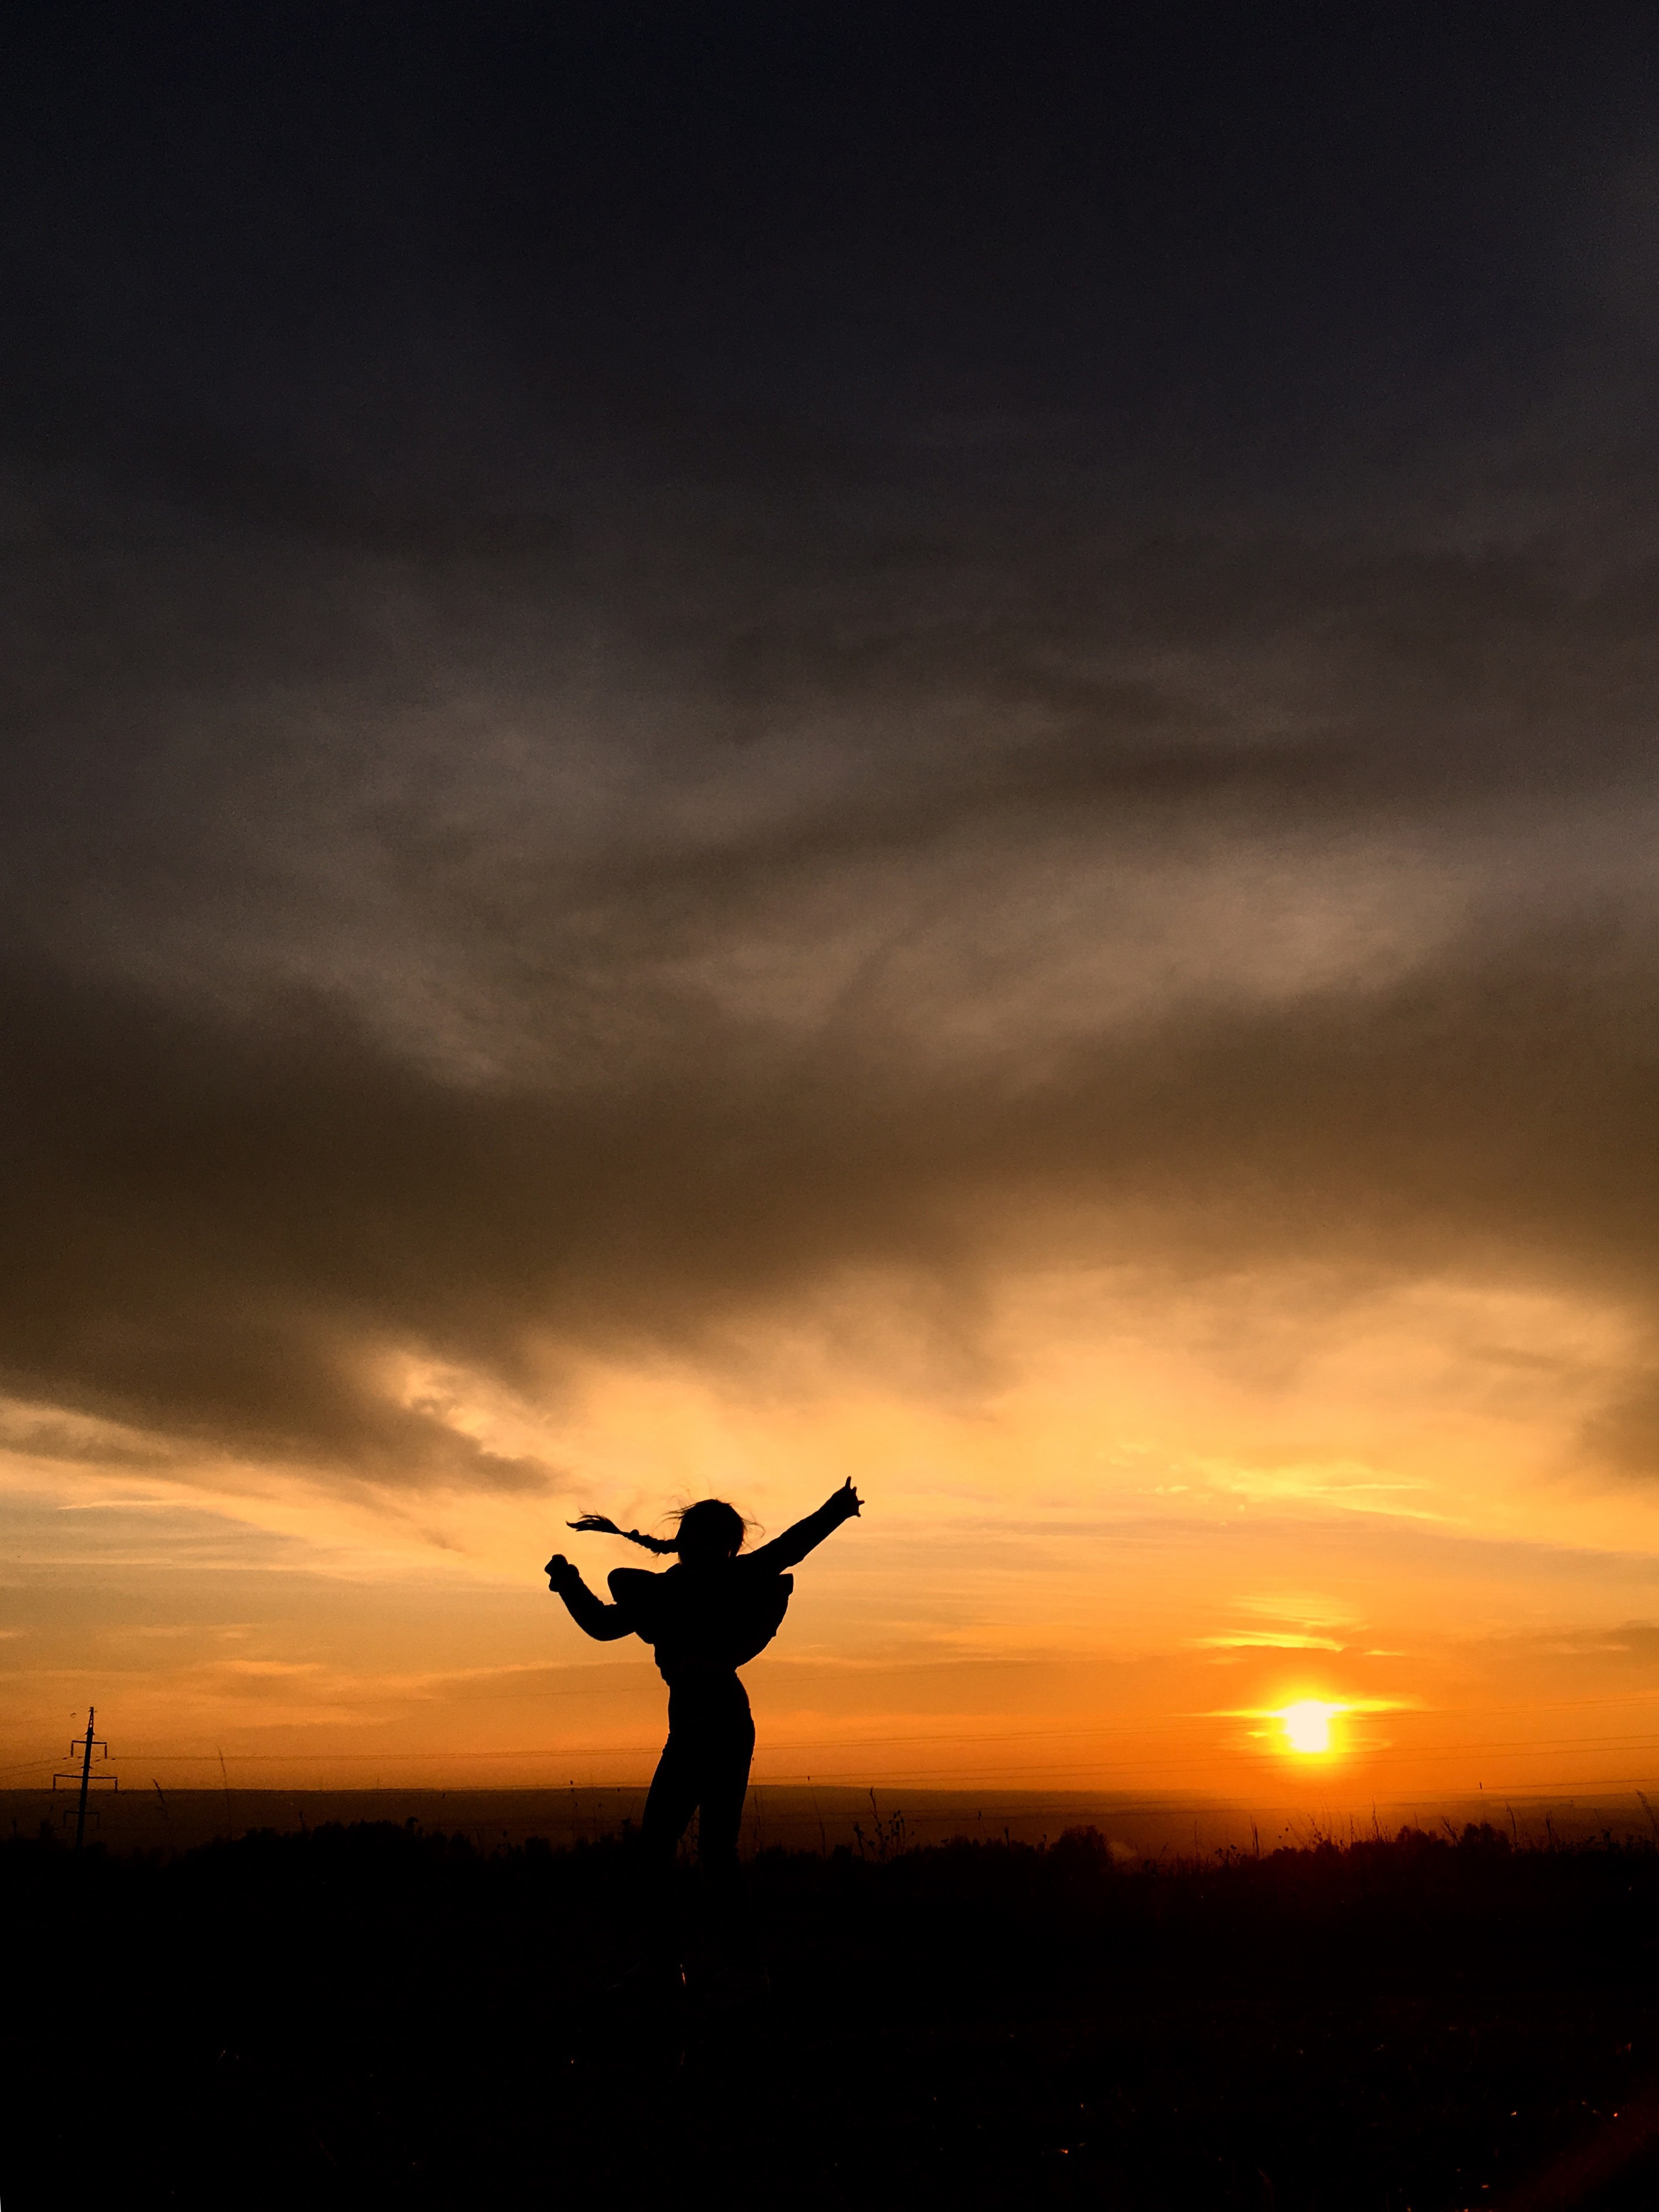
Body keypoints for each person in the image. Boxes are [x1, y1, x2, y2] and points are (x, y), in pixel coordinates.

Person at [544, 1478, 863, 1993]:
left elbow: (789, 1548)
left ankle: (685, 1965)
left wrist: (834, 1510)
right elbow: (603, 1625)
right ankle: (732, 1967)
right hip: (723, 1726)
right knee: (711, 1851)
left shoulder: (686, 1589)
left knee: (665, 1849)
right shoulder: (676, 1592)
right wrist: (568, 1583)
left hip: (709, 1727)